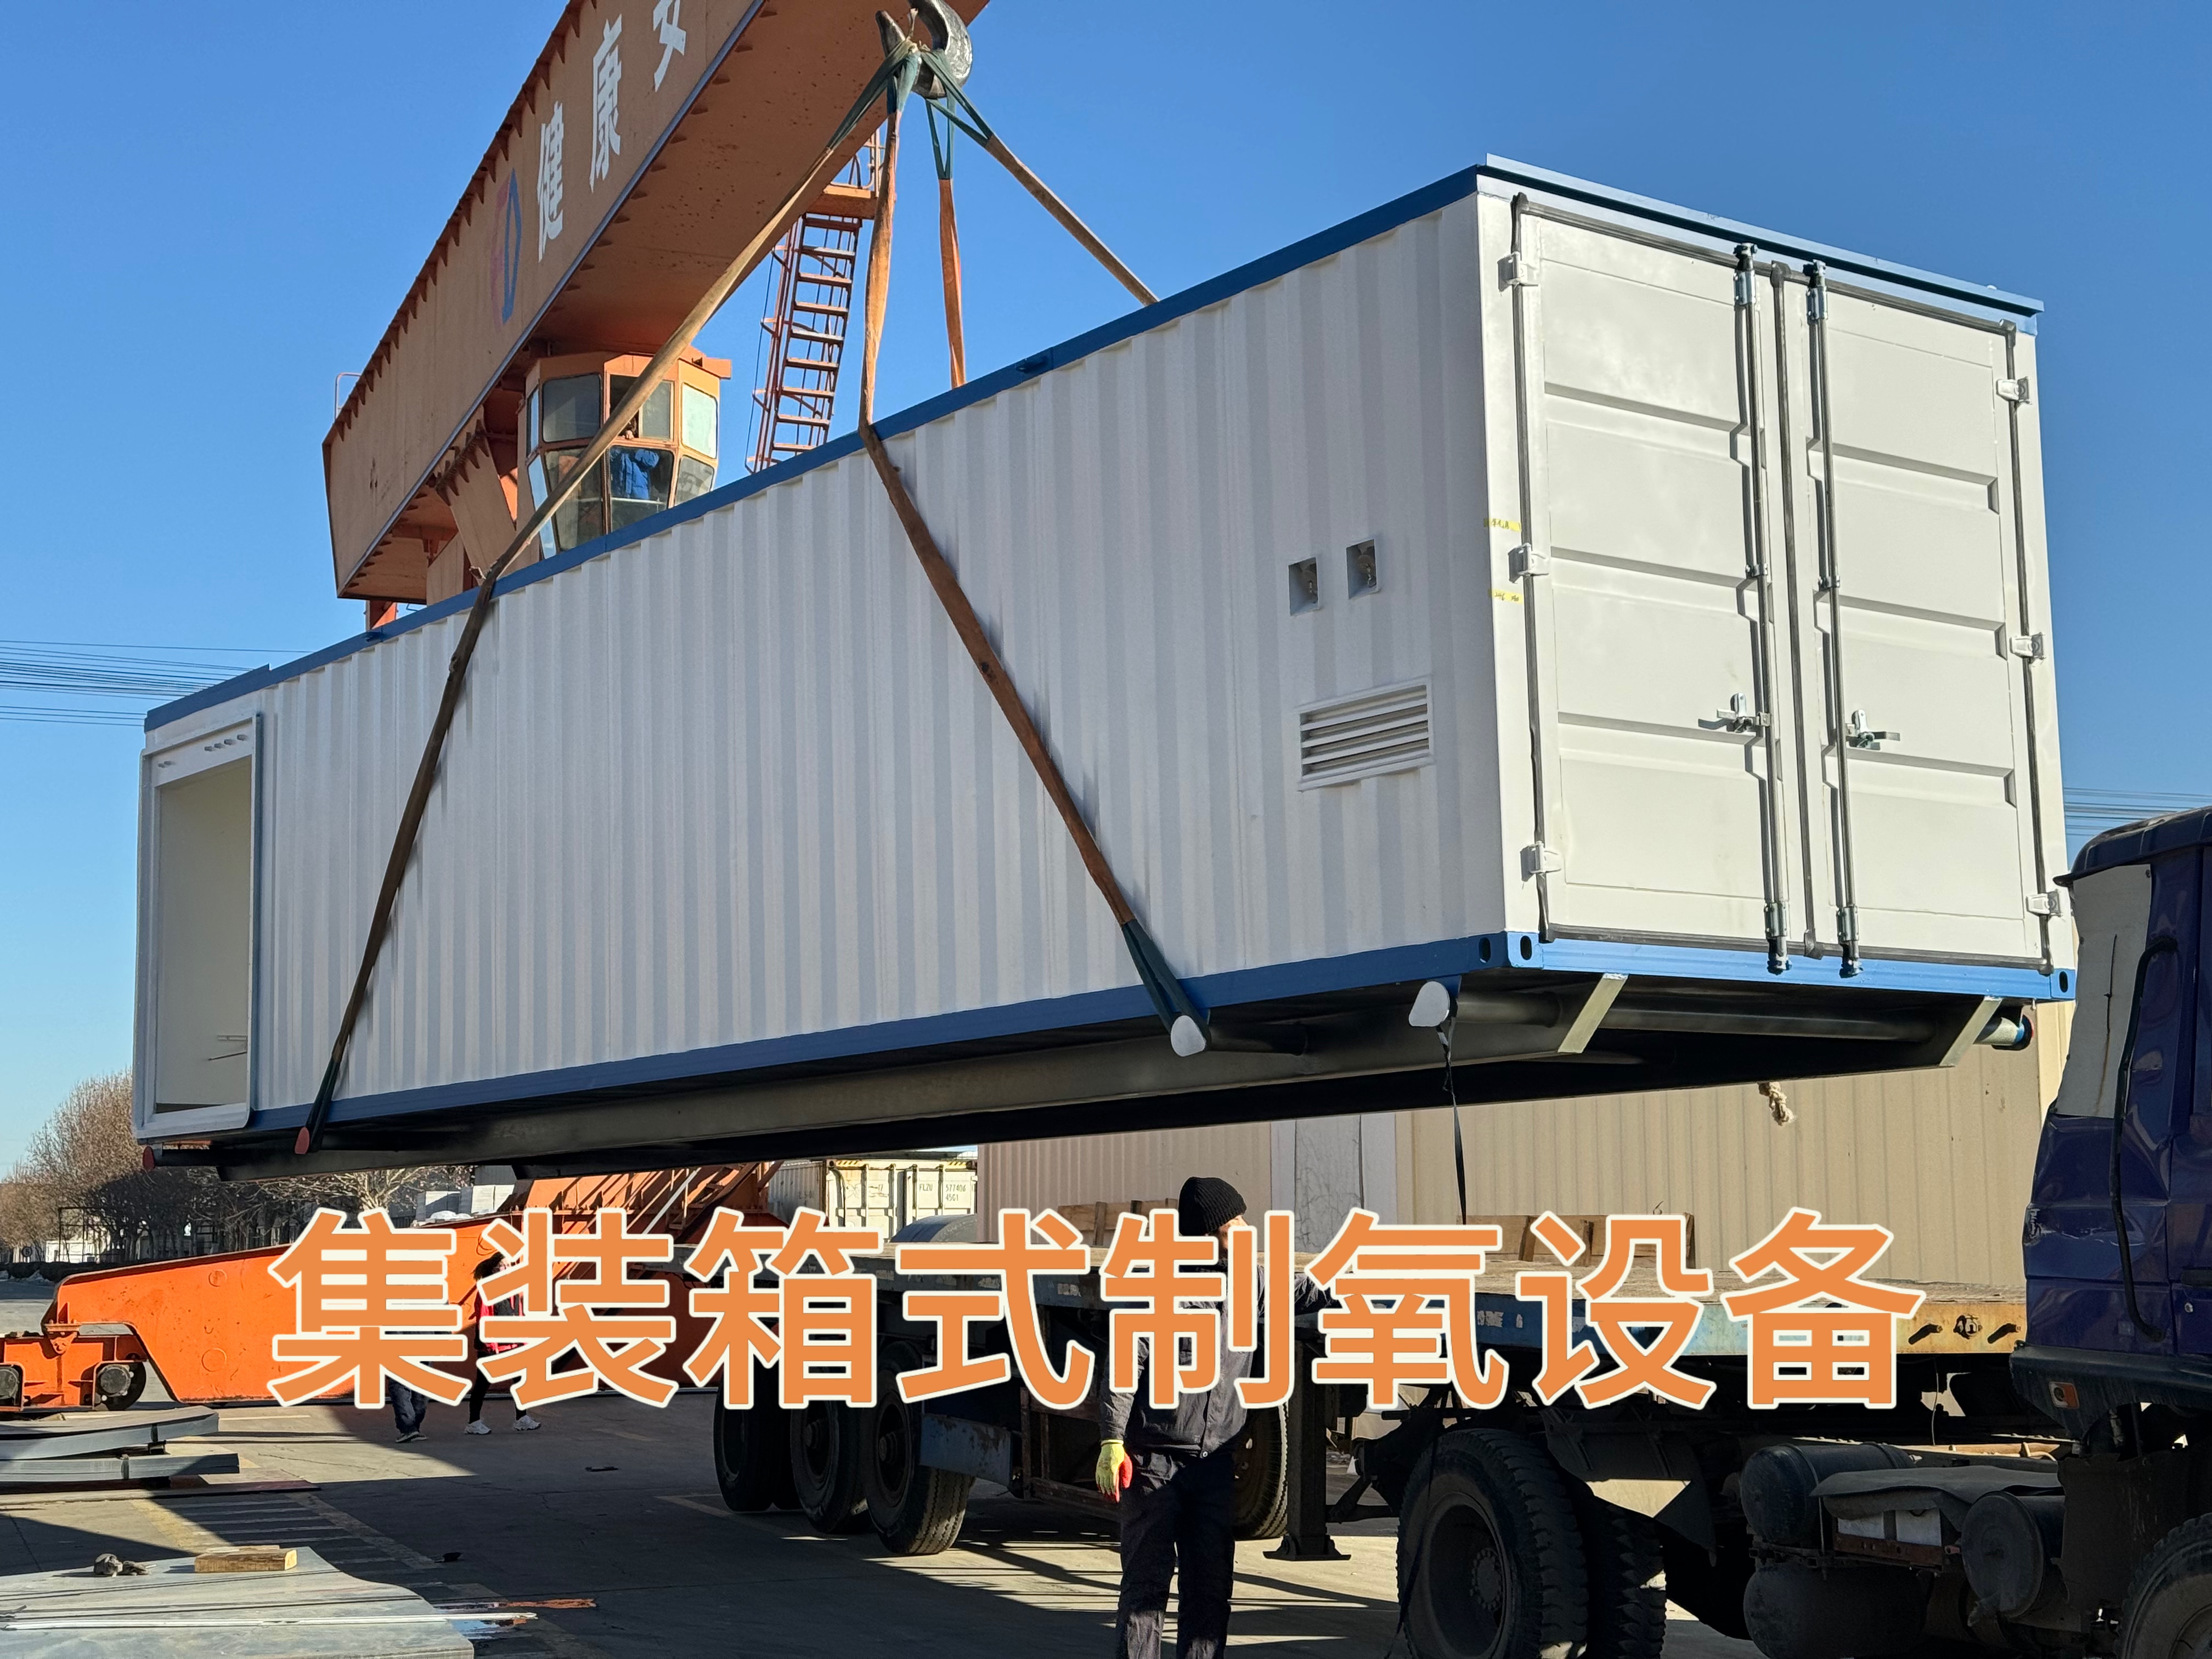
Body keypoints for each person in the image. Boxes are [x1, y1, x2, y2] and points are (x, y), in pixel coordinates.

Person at [1094, 1176, 1328, 1659]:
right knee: (1145, 1592)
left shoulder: (1252, 1282)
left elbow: (1309, 1291)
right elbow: (1123, 1365)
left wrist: (1378, 1279)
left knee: (1210, 1591)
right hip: (1154, 1465)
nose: (1244, 1230)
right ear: (1204, 1234)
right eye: (1232, 1224)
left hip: (1215, 1464)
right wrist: (1112, 1439)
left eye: (1243, 1220)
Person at [463, 1254, 542, 1434]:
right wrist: (492, 1347)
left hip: (513, 1345)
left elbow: (519, 1316)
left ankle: (522, 1418)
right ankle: (473, 1423)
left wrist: (524, 1341)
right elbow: (484, 1318)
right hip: (492, 1348)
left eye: (509, 1265)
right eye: (503, 1266)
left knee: (520, 1382)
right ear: (494, 1269)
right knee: (483, 1384)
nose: (507, 1269)